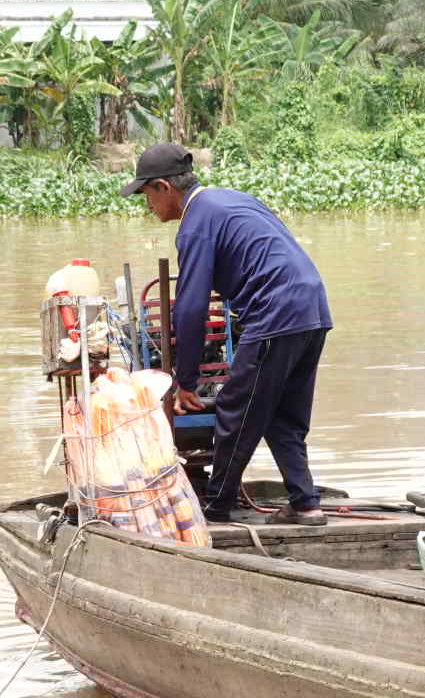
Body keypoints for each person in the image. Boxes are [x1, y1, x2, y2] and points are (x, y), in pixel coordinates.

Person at [127, 143, 332, 527]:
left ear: (163, 188)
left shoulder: (196, 222)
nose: (147, 206)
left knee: (235, 409)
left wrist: (184, 381)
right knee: (281, 416)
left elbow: (190, 307)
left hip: (276, 314)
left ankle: (216, 508)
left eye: (146, 196)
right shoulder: (233, 200)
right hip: (313, 309)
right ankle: (306, 505)